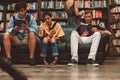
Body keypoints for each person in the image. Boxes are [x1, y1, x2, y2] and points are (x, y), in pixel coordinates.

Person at [3, 1, 39, 66]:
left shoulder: (31, 17)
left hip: (27, 39)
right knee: (6, 35)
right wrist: (14, 29)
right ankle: (8, 58)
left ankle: (31, 58)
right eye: (18, 11)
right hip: (16, 39)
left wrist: (28, 28)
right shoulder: (13, 18)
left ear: (25, 10)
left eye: (22, 11)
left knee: (32, 33)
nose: (20, 13)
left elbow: (36, 29)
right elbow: (8, 29)